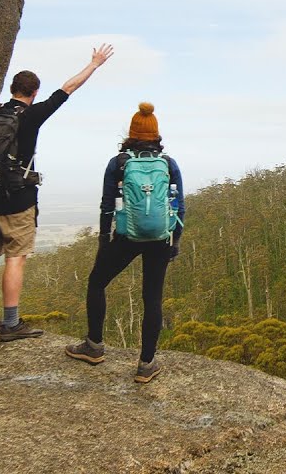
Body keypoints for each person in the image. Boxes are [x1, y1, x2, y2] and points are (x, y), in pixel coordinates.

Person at [0, 22, 113, 342]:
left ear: (13, 89)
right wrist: (94, 64)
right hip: (20, 201)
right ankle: (11, 324)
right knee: (15, 259)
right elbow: (68, 88)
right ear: (33, 92)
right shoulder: (34, 114)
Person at [66, 102, 185, 383]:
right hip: (160, 238)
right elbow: (179, 206)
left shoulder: (119, 163)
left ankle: (94, 347)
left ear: (131, 133)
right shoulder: (168, 163)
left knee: (97, 282)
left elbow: (107, 205)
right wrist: (175, 241)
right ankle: (147, 364)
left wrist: (104, 240)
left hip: (125, 237)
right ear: (156, 135)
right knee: (152, 298)